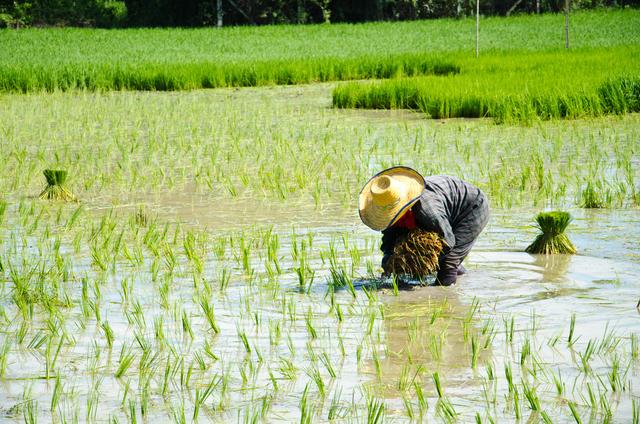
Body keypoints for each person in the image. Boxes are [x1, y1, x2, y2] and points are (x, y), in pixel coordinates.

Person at [358, 166, 489, 286]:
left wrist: (420, 262)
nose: (393, 221)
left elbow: (448, 241)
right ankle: (462, 277)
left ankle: (447, 296)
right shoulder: (390, 211)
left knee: (449, 261)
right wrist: (389, 265)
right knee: (445, 260)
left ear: (406, 208)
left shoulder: (427, 210)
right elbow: (389, 241)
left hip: (472, 208)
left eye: (396, 217)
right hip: (446, 209)